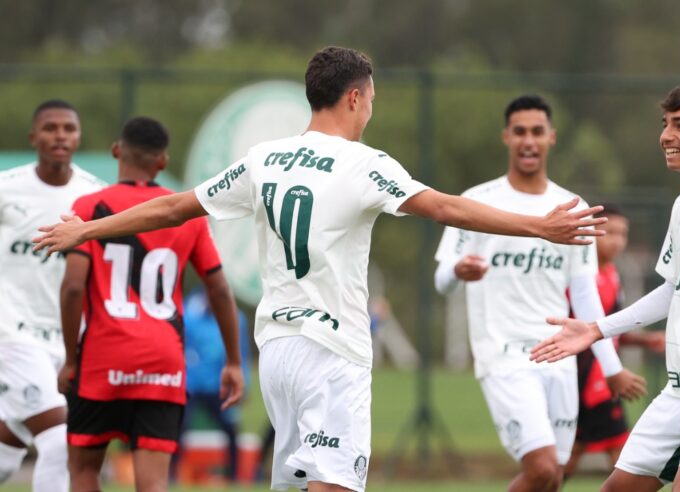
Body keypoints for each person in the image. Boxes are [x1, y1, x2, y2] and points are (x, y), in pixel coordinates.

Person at [33, 46, 609, 492]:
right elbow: (444, 207)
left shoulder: (265, 158)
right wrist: (539, 226)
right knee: (334, 484)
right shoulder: (363, 163)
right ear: (355, 98)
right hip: (332, 352)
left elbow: (170, 205)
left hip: (277, 351)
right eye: (373, 100)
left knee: (296, 483)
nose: (371, 112)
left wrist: (87, 229)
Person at [531, 84, 680, 492]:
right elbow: (674, 290)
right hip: (679, 391)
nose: (666, 136)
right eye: (665, 124)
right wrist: (596, 329)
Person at [433, 95, 647, 492]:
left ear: (551, 137)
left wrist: (610, 366)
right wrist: (459, 271)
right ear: (506, 138)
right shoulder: (478, 202)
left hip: (558, 358)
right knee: (543, 468)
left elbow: (585, 298)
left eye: (536, 132)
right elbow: (442, 278)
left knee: (553, 479)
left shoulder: (572, 208)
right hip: (504, 355)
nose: (528, 140)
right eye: (519, 132)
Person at [57, 117, 245, 492]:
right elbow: (220, 289)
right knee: (153, 483)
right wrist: (235, 361)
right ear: (162, 161)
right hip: (162, 362)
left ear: (116, 151)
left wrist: (71, 359)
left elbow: (74, 288)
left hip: (102, 358)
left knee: (83, 471)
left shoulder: (90, 206)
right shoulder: (185, 216)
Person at [0, 100, 104, 491]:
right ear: (33, 137)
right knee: (61, 442)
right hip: (11, 334)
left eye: (68, 128)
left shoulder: (95, 196)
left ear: (78, 137)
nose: (60, 135)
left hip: (67, 340)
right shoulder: (6, 189)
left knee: (6, 456)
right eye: (50, 128)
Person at [564, 205, 665, 478]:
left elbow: (606, 330)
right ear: (590, 234)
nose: (618, 240)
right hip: (586, 377)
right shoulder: (581, 278)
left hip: (600, 376)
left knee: (569, 455)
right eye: (609, 232)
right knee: (623, 454)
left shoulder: (612, 275)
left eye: (623, 233)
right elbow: (581, 331)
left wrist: (645, 341)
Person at [173, 286, 251, 483]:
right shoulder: (189, 313)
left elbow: (242, 353)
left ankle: (233, 477)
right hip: (191, 384)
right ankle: (170, 474)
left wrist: (245, 382)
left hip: (219, 385)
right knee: (178, 428)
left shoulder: (236, 318)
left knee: (230, 430)